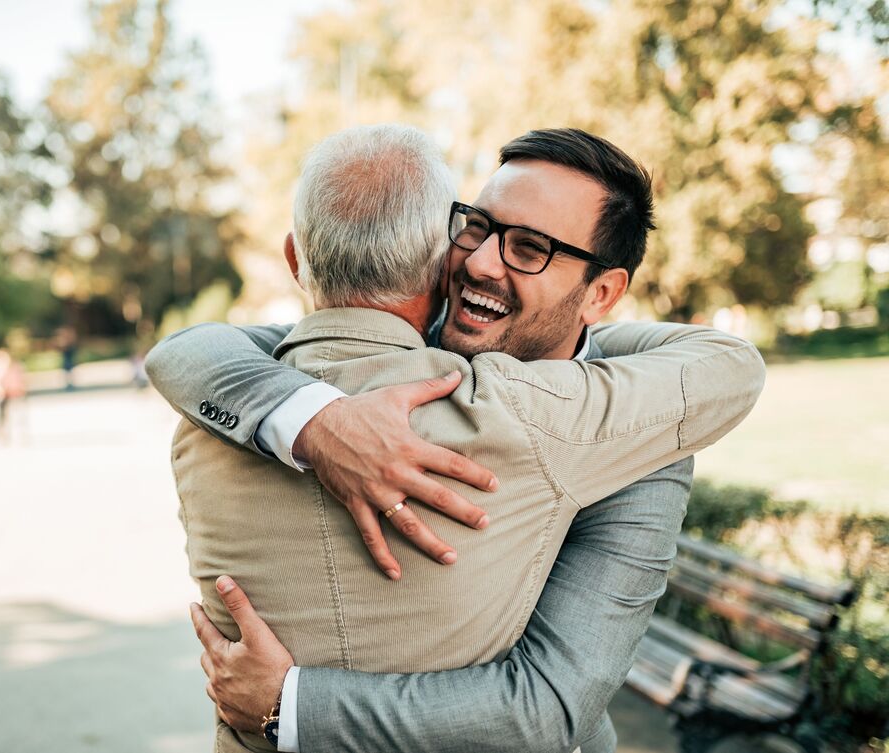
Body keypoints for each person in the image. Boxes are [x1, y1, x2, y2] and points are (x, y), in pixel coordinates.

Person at [148, 126, 765, 753]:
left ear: (601, 293)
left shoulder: (640, 437)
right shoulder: (399, 341)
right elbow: (192, 351)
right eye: (476, 226)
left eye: (529, 248)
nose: (479, 261)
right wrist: (315, 421)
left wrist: (291, 705)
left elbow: (548, 705)